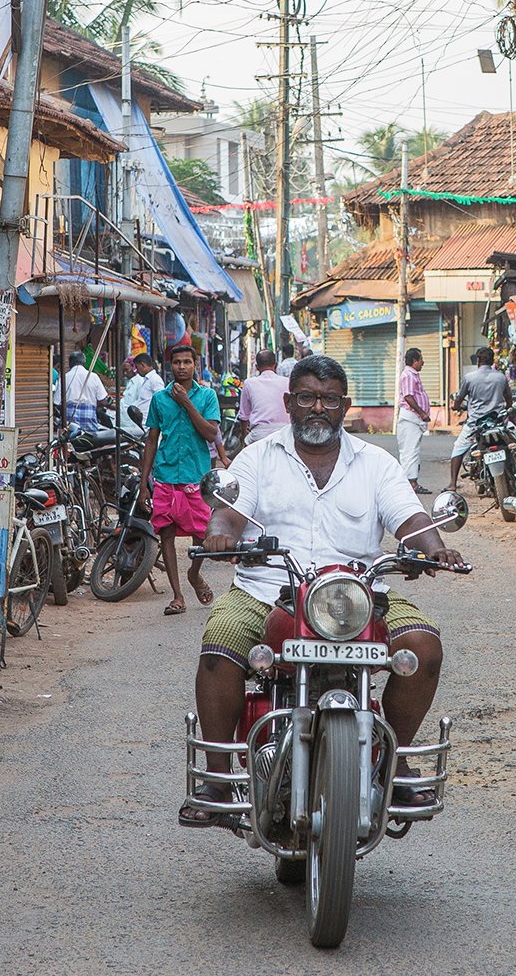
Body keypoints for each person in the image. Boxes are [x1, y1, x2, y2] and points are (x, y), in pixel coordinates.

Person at [180, 354, 466, 826]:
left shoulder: (375, 462)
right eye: (308, 398)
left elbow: (409, 517)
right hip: (268, 590)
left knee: (423, 645)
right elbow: (230, 510)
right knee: (220, 643)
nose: (318, 408)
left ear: (344, 405)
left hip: (358, 595)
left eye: (329, 399)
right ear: (290, 402)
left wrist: (434, 547)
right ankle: (217, 778)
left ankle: (395, 759)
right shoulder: (257, 457)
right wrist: (220, 533)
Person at [141, 344, 223, 615]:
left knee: (201, 536)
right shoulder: (160, 399)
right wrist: (144, 482)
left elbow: (210, 434)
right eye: (177, 362)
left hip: (195, 477)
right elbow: (152, 440)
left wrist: (186, 404)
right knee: (166, 533)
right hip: (165, 475)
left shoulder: (207, 396)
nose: (182, 367)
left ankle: (194, 573)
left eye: (187, 362)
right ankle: (178, 596)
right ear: (170, 366)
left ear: (195, 365)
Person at [447, 346, 512, 491]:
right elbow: (509, 398)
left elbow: (459, 398)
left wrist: (456, 406)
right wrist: (506, 409)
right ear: (492, 361)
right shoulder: (501, 377)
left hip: (475, 425)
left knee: (458, 449)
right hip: (499, 423)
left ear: (478, 361)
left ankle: (452, 484)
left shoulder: (469, 378)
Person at [235, 349, 291, 445]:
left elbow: (244, 416)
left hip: (259, 435)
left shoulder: (249, 383)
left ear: (257, 367)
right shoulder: (287, 382)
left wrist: (243, 435)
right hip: (285, 433)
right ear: (276, 365)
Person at [396, 347, 432, 494]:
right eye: (420, 359)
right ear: (414, 361)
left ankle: (412, 482)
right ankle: (411, 484)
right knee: (410, 451)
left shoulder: (413, 374)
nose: (423, 362)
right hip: (410, 418)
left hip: (413, 419)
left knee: (412, 451)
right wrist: (422, 413)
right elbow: (408, 397)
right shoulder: (409, 375)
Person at [63, 351, 109, 433]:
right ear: (84, 363)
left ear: (70, 363)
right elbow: (103, 401)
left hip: (70, 418)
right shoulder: (94, 377)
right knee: (90, 441)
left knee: (70, 442)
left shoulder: (64, 378)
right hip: (89, 416)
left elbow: (57, 402)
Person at [121, 351, 164, 434]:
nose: (137, 370)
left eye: (137, 367)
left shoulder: (155, 380)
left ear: (143, 365)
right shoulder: (146, 380)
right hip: (139, 423)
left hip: (146, 425)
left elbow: (161, 402)